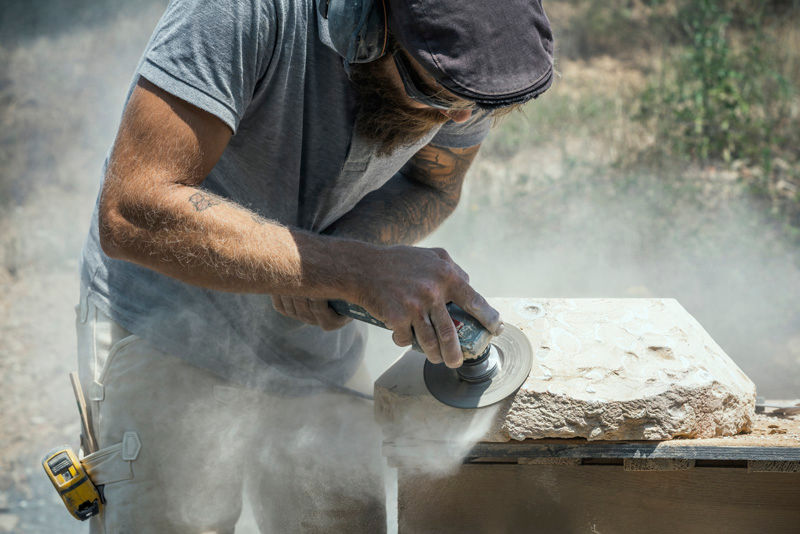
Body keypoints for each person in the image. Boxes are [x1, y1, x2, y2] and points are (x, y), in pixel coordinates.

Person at [75, 0, 554, 531]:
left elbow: (432, 184)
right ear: (365, 26)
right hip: (167, 326)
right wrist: (352, 270)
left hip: (314, 345)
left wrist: (349, 259)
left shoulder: (460, 72)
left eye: (477, 104)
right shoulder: (238, 13)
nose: (458, 119)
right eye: (435, 94)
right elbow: (131, 208)